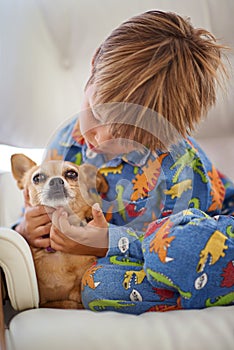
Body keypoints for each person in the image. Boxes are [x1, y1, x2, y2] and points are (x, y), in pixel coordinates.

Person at [15, 10, 234, 314]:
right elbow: (35, 202)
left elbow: (172, 246)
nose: (98, 137)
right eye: (96, 112)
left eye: (124, 138)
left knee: (180, 248)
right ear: (93, 65)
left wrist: (108, 241)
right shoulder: (66, 144)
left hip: (210, 237)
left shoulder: (180, 168)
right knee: (97, 283)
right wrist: (25, 229)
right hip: (118, 263)